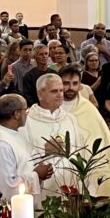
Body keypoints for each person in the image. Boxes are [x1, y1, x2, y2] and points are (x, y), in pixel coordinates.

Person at [22, 73, 86, 201]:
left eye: (61, 90)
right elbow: (21, 156)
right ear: (40, 94)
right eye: (54, 91)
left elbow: (81, 151)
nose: (60, 95)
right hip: (43, 188)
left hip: (70, 185)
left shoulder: (71, 119)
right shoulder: (26, 121)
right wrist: (44, 152)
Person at [58, 65, 110, 197]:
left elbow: (102, 139)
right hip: (59, 167)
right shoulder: (52, 108)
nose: (70, 88)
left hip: (85, 166)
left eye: (75, 83)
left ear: (80, 84)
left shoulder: (88, 108)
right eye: (66, 83)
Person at [0, 94, 52, 200]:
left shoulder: (15, 134)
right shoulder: (3, 144)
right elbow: (6, 187)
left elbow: (24, 163)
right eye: (26, 110)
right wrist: (37, 174)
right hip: (11, 212)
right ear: (17, 114)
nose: (27, 114)